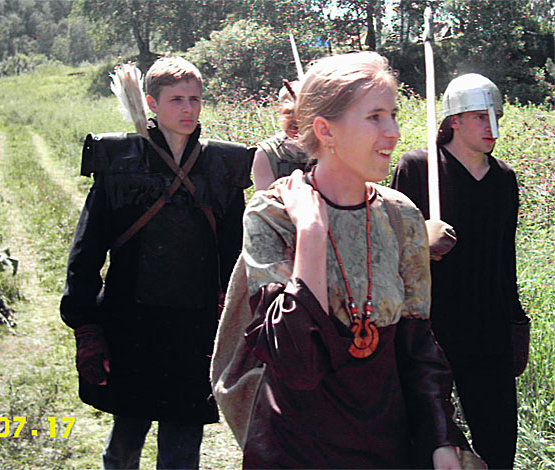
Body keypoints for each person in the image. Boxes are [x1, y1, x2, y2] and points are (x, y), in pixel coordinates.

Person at [213, 51, 471, 469]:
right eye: (375, 117)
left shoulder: (400, 215)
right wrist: (312, 233)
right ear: (325, 130)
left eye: (393, 115)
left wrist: (441, 441)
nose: (393, 132)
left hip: (386, 448)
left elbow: (417, 349)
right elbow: (296, 363)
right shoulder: (273, 214)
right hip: (295, 450)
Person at [60, 56, 254, 469]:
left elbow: (236, 254)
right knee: (124, 444)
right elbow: (86, 252)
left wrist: (234, 316)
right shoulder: (121, 163)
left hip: (195, 331)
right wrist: (86, 326)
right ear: (151, 103)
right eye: (176, 100)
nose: (188, 109)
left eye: (195, 99)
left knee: (181, 452)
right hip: (131, 326)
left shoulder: (222, 167)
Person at [391, 73, 530, 469]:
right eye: (481, 117)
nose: (492, 127)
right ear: (455, 120)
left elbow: (504, 257)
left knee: (498, 445)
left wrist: (515, 319)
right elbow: (389, 245)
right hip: (432, 329)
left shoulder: (504, 179)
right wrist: (421, 239)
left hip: (489, 330)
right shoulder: (419, 167)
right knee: (426, 442)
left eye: (496, 116)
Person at [252, 80, 310, 190]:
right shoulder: (268, 152)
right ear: (280, 111)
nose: (296, 120)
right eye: (289, 113)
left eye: (303, 113)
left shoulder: (330, 147)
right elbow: (264, 196)